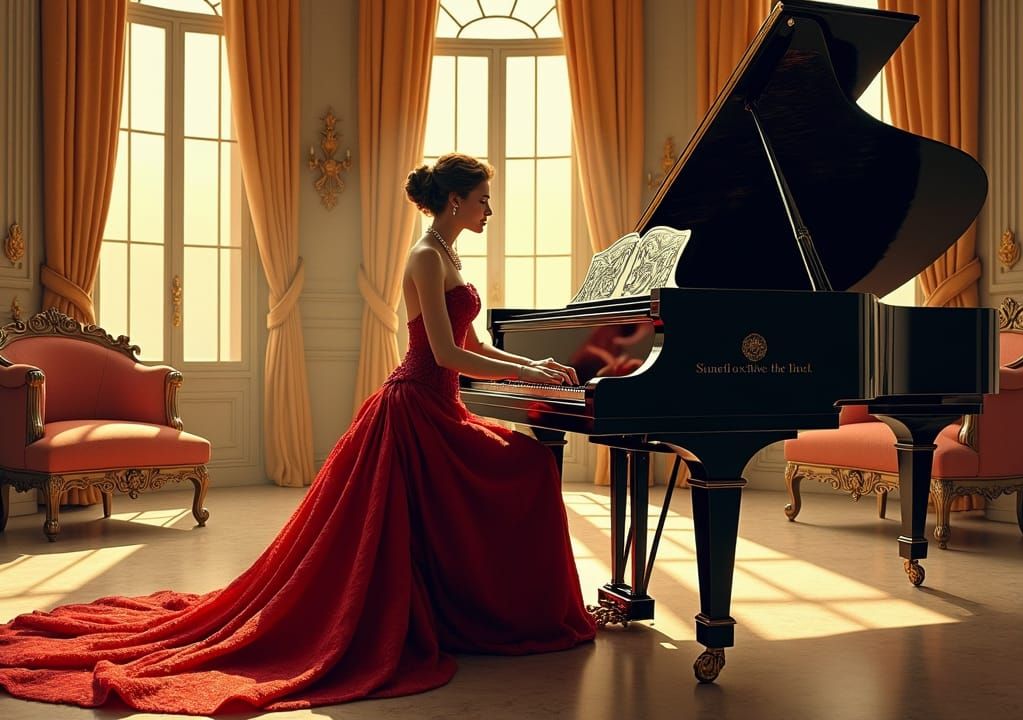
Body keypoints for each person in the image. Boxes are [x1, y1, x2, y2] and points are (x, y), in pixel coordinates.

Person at [0, 153, 596, 715]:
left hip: (441, 407)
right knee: (529, 466)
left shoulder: (450, 255)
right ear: (458, 199)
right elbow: (443, 352)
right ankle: (507, 612)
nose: (490, 210)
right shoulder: (425, 257)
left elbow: (470, 345)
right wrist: (527, 370)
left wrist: (531, 367)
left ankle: (486, 609)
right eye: (484, 200)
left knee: (524, 464)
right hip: (416, 408)